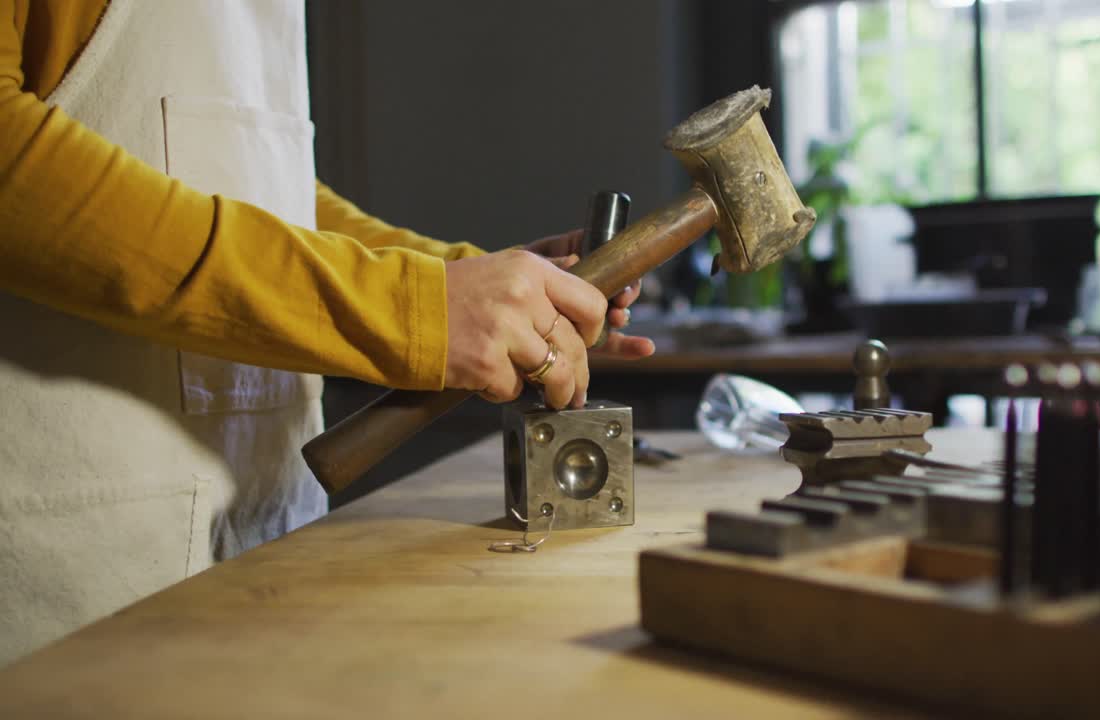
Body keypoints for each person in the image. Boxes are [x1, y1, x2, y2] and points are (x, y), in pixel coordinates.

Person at [0, 0, 653, 665]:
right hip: (70, 583)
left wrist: (469, 285)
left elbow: (251, 183)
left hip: (266, 536)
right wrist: (415, 308)